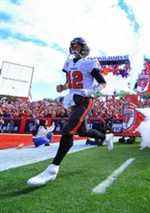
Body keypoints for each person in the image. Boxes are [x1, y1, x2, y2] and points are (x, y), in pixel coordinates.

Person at [27, 37, 109, 187]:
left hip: (84, 100)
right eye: (73, 46)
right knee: (82, 132)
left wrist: (91, 91)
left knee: (68, 130)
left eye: (77, 46)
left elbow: (103, 83)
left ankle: (53, 169)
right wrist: (63, 87)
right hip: (72, 100)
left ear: (84, 47)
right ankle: (104, 136)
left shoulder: (89, 62)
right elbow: (69, 82)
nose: (74, 48)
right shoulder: (69, 62)